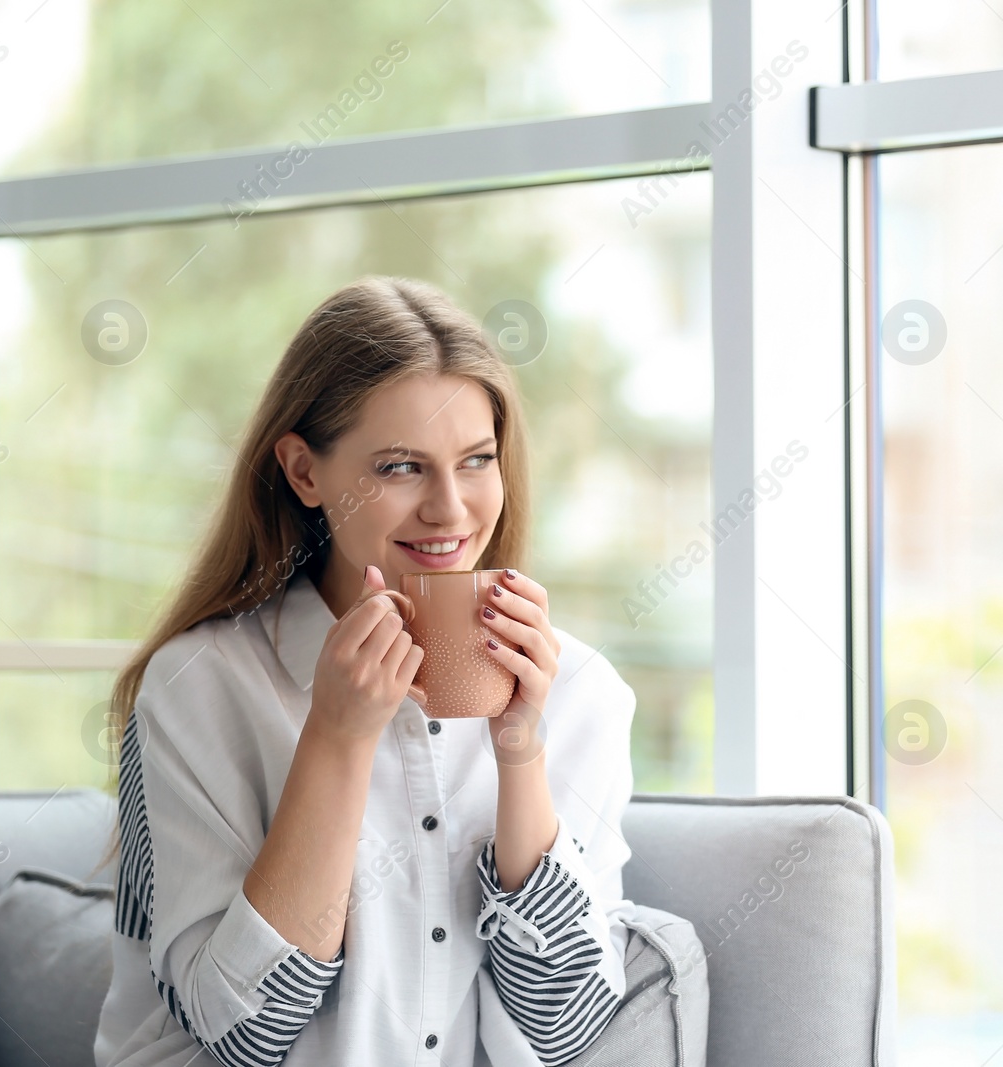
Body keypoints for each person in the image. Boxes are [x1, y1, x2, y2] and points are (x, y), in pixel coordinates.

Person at [92, 276, 637, 1067]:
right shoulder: (197, 687)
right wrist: (338, 738)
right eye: (400, 467)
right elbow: (244, 1034)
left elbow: (562, 1027)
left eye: (477, 459)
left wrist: (521, 747)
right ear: (304, 472)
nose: (450, 508)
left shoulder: (583, 692)